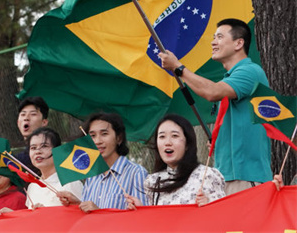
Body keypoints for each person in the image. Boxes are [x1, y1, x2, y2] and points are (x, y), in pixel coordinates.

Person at [160, 18, 272, 194]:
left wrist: (179, 69)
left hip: (245, 179)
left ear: (238, 43)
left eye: (219, 37)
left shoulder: (250, 71)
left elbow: (211, 92)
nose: (213, 42)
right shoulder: (231, 78)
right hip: (225, 178)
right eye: (214, 37)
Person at [126, 114, 224, 208]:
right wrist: (140, 209)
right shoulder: (152, 181)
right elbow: (155, 221)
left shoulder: (206, 175)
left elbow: (224, 217)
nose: (167, 142)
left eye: (174, 136)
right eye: (162, 137)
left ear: (188, 144)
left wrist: (209, 206)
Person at [57, 113, 147, 211]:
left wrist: (99, 212)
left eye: (104, 134)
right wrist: (78, 203)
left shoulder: (136, 173)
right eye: (92, 136)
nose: (97, 141)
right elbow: (88, 214)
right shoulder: (92, 176)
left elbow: (141, 217)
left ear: (119, 138)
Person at [0, 96, 49, 166]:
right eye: (23, 114)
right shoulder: (23, 154)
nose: (26, 118)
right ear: (18, 122)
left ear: (44, 122)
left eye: (33, 114)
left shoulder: (50, 149)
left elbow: (13, 168)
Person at [25, 128, 83, 209]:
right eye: (33, 148)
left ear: (57, 150)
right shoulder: (32, 186)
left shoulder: (71, 183)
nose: (37, 151)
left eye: (44, 146)